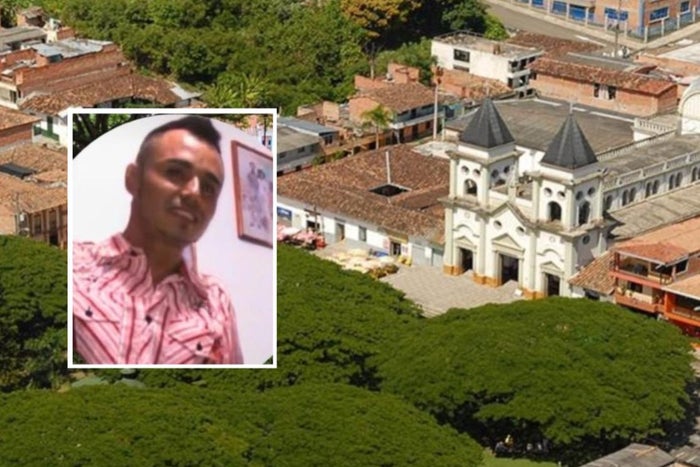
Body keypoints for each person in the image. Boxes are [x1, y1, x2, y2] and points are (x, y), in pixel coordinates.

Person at [73, 116, 244, 364]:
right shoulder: (76, 267)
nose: (194, 193)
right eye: (175, 172)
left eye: (208, 188)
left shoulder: (215, 302)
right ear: (133, 178)